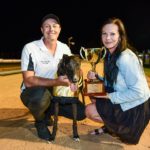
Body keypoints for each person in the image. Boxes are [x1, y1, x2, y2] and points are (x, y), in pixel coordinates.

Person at [20, 13, 85, 141]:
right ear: (42, 30)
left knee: (81, 113)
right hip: (35, 91)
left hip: (57, 92)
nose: (51, 29)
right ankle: (40, 121)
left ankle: (47, 112)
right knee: (40, 98)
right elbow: (28, 81)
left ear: (59, 29)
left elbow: (73, 67)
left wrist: (76, 77)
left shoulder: (64, 48)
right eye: (47, 26)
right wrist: (56, 82)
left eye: (55, 26)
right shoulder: (30, 48)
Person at [85, 17, 150, 144]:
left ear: (120, 36)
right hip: (129, 99)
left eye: (112, 34)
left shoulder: (125, 58)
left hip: (137, 107)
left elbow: (139, 92)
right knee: (94, 96)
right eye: (104, 34)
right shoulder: (110, 54)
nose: (108, 38)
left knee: (89, 110)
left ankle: (116, 128)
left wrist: (108, 96)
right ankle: (109, 126)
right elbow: (116, 82)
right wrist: (98, 78)